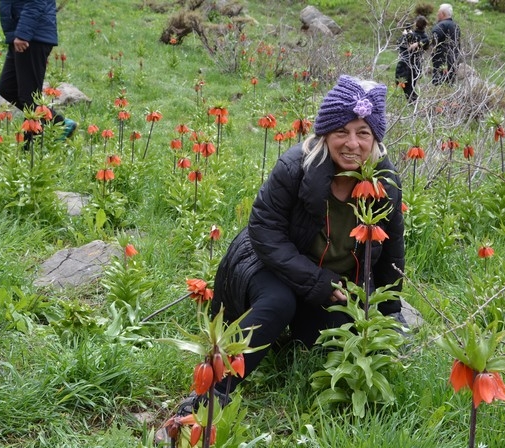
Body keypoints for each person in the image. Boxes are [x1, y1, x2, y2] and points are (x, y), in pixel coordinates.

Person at [157, 76, 405, 441]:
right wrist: (317, 283)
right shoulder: (296, 165)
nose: (352, 143)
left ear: (375, 138)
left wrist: (388, 316)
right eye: (342, 131)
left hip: (329, 285)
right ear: (325, 132)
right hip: (266, 263)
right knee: (277, 302)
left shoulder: (385, 183)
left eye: (363, 133)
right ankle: (204, 403)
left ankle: (282, 337)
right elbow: (264, 231)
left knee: (319, 338)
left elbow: (391, 251)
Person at [0, 0, 77, 144]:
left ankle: (30, 150)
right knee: (7, 88)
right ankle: (58, 122)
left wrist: (23, 33)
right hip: (20, 34)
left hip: (31, 37)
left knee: (29, 98)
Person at [394, 15, 430, 102]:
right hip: (417, 64)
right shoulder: (425, 38)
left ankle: (413, 101)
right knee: (411, 85)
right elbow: (425, 45)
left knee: (404, 84)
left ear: (415, 25)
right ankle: (414, 101)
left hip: (406, 64)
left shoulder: (412, 36)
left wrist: (405, 36)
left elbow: (400, 44)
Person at [431, 3, 461, 85]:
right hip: (454, 59)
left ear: (442, 14)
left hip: (442, 60)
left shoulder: (441, 25)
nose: (437, 14)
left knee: (438, 84)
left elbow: (434, 36)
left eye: (438, 12)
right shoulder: (456, 26)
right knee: (449, 84)